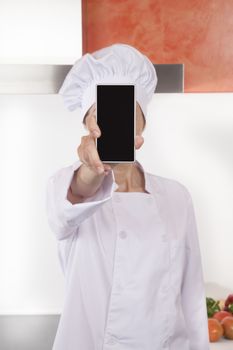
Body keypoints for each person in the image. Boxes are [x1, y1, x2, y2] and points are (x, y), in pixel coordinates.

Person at [46, 43, 210, 350]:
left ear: (142, 123)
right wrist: (92, 170)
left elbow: (190, 298)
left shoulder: (176, 196)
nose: (111, 122)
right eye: (100, 112)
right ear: (87, 124)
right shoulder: (66, 187)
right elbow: (69, 206)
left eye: (124, 110)